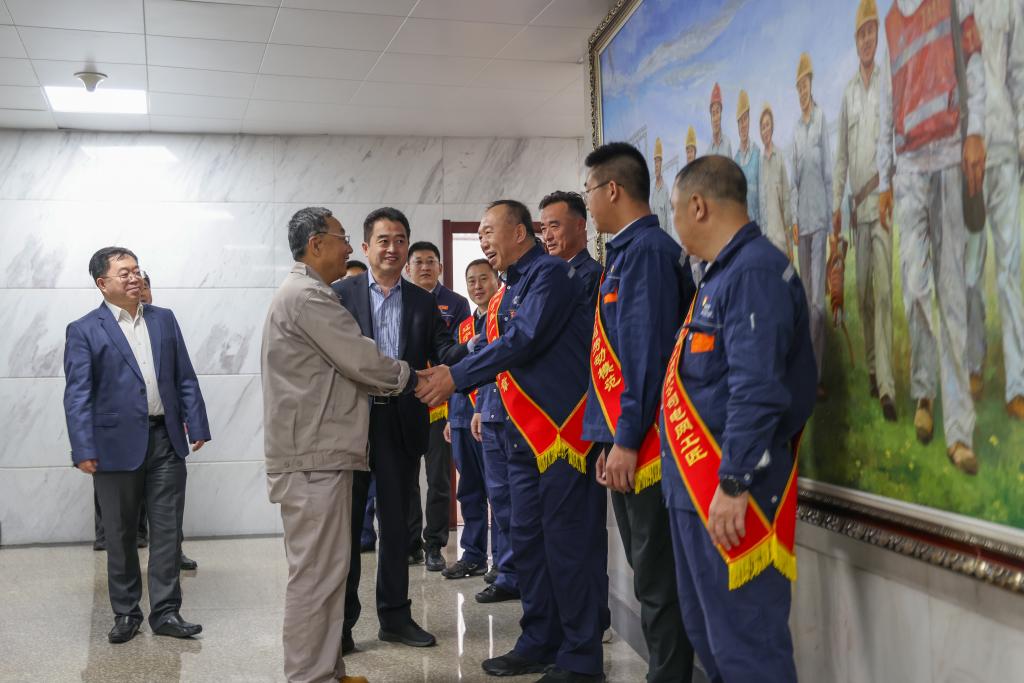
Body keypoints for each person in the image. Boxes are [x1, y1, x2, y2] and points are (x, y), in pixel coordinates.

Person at [416, 199, 607, 682]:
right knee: (528, 543)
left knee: (567, 546)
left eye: (489, 231)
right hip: (520, 438)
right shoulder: (512, 287)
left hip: (560, 438)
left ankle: (581, 657)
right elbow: (495, 346)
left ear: (520, 232)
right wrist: (457, 374)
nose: (483, 241)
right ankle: (539, 640)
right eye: (479, 233)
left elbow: (524, 340)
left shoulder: (551, 275)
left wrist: (456, 377)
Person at [665, 155, 816, 683]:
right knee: (711, 638)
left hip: (734, 492)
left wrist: (733, 481)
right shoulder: (719, 275)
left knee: (746, 649)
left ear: (698, 206)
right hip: (697, 489)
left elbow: (757, 389)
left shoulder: (752, 273)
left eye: (674, 209)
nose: (674, 222)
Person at [262, 207, 411, 683]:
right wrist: (412, 376)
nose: (349, 248)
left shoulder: (308, 293)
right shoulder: (308, 296)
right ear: (316, 244)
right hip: (312, 459)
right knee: (315, 576)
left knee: (329, 572)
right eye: (343, 237)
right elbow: (361, 359)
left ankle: (327, 668)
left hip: (319, 453)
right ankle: (310, 676)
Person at [582, 142, 696, 683]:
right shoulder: (627, 252)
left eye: (588, 190)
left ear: (612, 189)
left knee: (657, 578)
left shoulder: (647, 252)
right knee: (647, 572)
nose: (588, 203)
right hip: (628, 440)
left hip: (648, 446)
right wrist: (608, 441)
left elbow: (645, 358)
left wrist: (626, 441)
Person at [333, 207, 468, 650]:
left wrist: (476, 347)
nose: (392, 249)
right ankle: (342, 625)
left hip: (401, 421)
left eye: (400, 240)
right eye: (383, 240)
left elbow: (443, 348)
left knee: (396, 527)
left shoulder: (423, 301)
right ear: (366, 246)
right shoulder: (340, 295)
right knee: (346, 528)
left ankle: (394, 617)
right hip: (352, 420)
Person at [64, 247, 210, 645]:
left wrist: (197, 424)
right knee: (121, 534)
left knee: (168, 531)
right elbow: (77, 395)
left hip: (166, 440)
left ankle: (167, 612)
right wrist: (83, 448)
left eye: (137, 270)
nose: (134, 278)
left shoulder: (164, 319)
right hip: (113, 447)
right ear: (102, 283)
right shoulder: (84, 329)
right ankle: (127, 613)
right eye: (124, 272)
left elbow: (185, 376)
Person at [878, 0, 985, 472]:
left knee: (952, 291)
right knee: (915, 289)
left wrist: (975, 132)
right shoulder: (891, 21)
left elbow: (973, 64)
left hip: (948, 155)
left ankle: (958, 431)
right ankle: (925, 391)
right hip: (908, 172)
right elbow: (889, 105)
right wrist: (885, 177)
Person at [833, 0, 896, 422]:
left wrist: (890, 186)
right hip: (857, 210)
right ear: (856, 41)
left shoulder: (887, 83)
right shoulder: (848, 94)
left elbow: (892, 139)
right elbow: (841, 157)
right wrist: (838, 209)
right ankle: (873, 370)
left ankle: (887, 387)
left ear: (877, 35)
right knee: (864, 296)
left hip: (883, 202)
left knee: (885, 293)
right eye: (862, 33)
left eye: (871, 31)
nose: (867, 39)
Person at [969, 0, 1024, 418]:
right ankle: (974, 365)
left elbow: (1019, 73)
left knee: (1009, 271)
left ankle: (1017, 385)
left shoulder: (1013, 5)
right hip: (968, 155)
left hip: (1004, 146)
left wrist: (1022, 140)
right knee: (971, 268)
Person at [405, 240, 471, 571]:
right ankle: (410, 543)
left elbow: (457, 351)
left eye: (431, 261)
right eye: (418, 262)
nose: (425, 267)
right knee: (405, 476)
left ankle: (434, 544)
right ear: (408, 268)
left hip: (440, 403)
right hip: (406, 399)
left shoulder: (456, 304)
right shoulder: (400, 299)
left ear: (440, 268)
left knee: (439, 479)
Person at [442, 259, 501, 581]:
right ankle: (474, 555)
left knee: (498, 491)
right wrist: (452, 417)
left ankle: (503, 561)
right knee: (469, 490)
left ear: (496, 281)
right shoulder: (464, 326)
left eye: (483, 279)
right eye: (471, 281)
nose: (477, 286)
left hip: (492, 416)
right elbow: (455, 371)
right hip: (463, 419)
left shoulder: (503, 318)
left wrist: (482, 407)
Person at [791, 51, 832, 400]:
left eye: (805, 85)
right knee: (805, 303)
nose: (802, 91)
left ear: (811, 85)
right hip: (802, 226)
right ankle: (806, 375)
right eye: (798, 87)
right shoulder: (795, 130)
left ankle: (817, 375)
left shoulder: (820, 122)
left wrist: (832, 221)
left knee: (818, 305)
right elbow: (793, 183)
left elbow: (829, 174)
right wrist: (793, 220)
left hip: (819, 224)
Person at [539, 190, 603, 302]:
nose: (547, 237)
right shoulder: (548, 274)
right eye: (543, 229)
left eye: (554, 226)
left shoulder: (592, 274)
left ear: (579, 225)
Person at [758, 103, 794, 260]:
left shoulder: (779, 158)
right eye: (762, 127)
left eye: (767, 125)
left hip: (781, 240)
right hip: (765, 241)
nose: (765, 130)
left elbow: (786, 199)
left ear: (772, 127)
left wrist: (789, 241)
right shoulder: (759, 164)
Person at [734, 89, 760, 225]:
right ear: (737, 125)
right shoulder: (735, 161)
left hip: (757, 226)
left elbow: (762, 197)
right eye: (740, 121)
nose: (743, 125)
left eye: (745, 119)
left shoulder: (757, 153)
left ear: (749, 121)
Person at [649, 137, 673, 234]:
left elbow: (668, 219)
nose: (656, 165)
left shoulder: (665, 190)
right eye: (655, 161)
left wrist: (668, 240)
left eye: (658, 161)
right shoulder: (652, 191)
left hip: (663, 237)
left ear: (662, 164)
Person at [707, 82, 733, 157]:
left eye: (717, 112)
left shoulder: (727, 143)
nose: (715, 119)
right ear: (711, 118)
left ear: (721, 115)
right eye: (713, 113)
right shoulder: (708, 151)